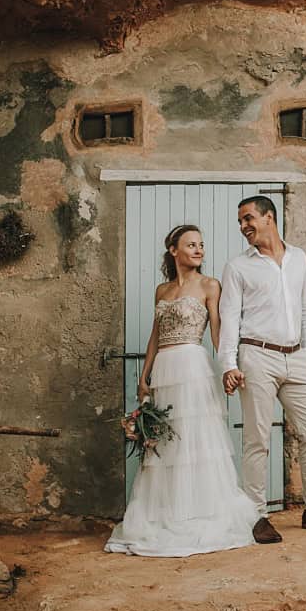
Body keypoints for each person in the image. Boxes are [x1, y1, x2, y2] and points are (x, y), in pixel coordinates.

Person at [105, 224, 257, 557]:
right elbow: (155, 337)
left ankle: (199, 512)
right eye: (191, 245)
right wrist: (144, 377)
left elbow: (217, 331)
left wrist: (228, 367)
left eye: (201, 244)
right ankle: (166, 512)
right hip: (164, 371)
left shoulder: (209, 285)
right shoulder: (162, 291)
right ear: (173, 250)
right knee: (165, 443)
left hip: (193, 366)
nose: (199, 250)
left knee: (195, 439)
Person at [219, 195, 306, 544]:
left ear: (270, 217)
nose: (243, 227)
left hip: (297, 358)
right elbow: (229, 319)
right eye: (240, 222)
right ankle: (255, 515)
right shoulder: (238, 267)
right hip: (257, 356)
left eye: (248, 218)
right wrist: (228, 364)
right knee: (258, 439)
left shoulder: (298, 258)